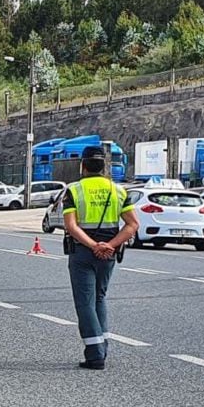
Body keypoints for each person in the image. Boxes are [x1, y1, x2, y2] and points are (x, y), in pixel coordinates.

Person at [62, 146, 139, 370]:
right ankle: (102, 347)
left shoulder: (74, 190)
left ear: (82, 165)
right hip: (109, 254)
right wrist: (110, 246)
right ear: (105, 166)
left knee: (85, 301)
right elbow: (133, 224)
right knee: (99, 297)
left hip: (83, 251)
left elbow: (71, 226)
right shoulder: (118, 190)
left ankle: (95, 354)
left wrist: (93, 245)